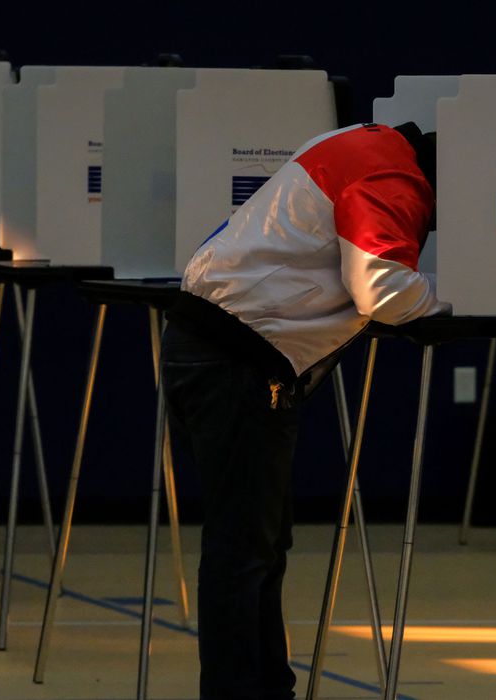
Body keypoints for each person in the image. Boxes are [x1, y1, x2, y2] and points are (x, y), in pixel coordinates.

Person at [161, 121, 446, 699]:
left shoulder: (357, 140)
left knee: (256, 545)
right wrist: (469, 294)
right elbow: (383, 289)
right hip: (235, 357)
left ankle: (267, 689)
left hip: (213, 347)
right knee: (244, 551)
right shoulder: (394, 173)